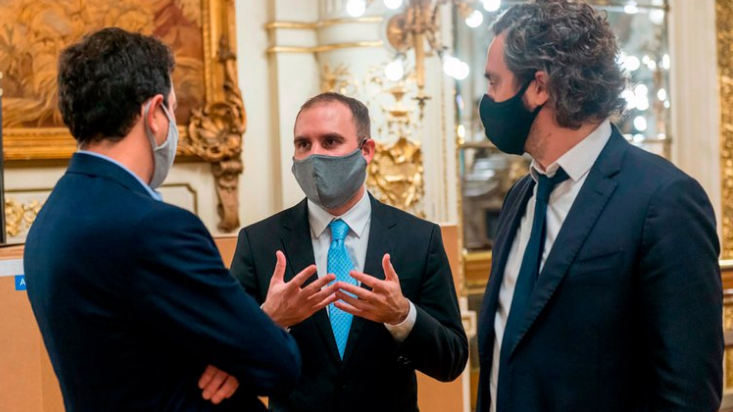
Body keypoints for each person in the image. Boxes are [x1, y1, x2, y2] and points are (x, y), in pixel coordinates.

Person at [24, 27, 300, 412]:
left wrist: (230, 354)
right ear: (155, 114)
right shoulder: (156, 229)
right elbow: (279, 365)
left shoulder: (51, 217)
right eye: (172, 108)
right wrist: (251, 341)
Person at [475, 1, 724, 411]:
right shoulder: (522, 194)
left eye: (494, 81)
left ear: (539, 87)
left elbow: (687, 393)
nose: (487, 98)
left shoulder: (665, 200)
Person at [229, 92, 468, 412]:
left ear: (366, 150)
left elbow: (451, 361)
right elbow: (226, 362)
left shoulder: (419, 239)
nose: (314, 155)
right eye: (303, 144)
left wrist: (402, 316)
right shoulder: (259, 242)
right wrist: (270, 321)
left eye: (330, 142)